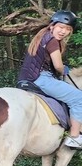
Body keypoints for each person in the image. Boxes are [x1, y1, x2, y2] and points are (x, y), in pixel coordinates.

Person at [18, 9, 82, 149]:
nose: (63, 31)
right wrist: (63, 69)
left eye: (67, 29)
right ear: (52, 26)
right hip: (41, 78)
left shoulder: (41, 37)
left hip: (24, 78)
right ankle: (75, 137)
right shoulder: (53, 41)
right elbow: (58, 66)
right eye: (60, 27)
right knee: (79, 97)